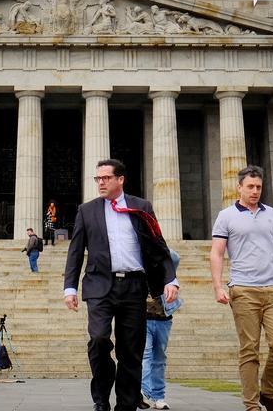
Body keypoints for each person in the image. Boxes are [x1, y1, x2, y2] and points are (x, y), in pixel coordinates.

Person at [65, 159, 179, 411]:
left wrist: (171, 278)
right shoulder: (87, 210)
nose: (101, 183)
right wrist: (69, 287)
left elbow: (159, 246)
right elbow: (75, 251)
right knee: (98, 339)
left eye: (106, 178)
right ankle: (101, 398)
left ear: (120, 179)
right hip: (99, 286)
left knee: (131, 349)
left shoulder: (141, 207)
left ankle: (126, 405)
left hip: (134, 287)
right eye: (98, 179)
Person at [210, 166, 273, 411]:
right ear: (239, 187)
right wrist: (218, 286)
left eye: (258, 187)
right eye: (250, 186)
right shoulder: (226, 216)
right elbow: (217, 253)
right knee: (249, 350)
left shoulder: (272, 214)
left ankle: (268, 392)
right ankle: (252, 405)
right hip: (243, 290)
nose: (254, 191)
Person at [140, 249, 181, 410]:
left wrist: (155, 244)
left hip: (164, 318)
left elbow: (174, 257)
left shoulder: (166, 271)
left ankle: (158, 396)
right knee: (146, 354)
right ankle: (145, 393)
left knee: (159, 358)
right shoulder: (138, 268)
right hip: (143, 318)